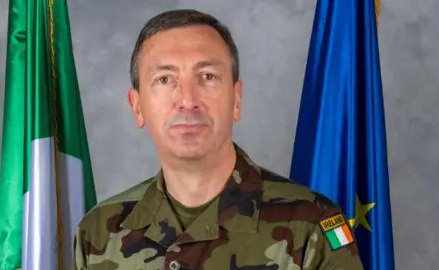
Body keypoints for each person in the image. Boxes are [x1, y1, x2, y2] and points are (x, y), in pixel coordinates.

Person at [72, 9, 364, 270]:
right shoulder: (99, 232)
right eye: (164, 79)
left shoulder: (312, 226)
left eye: (207, 76)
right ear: (137, 107)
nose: (187, 100)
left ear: (236, 99)